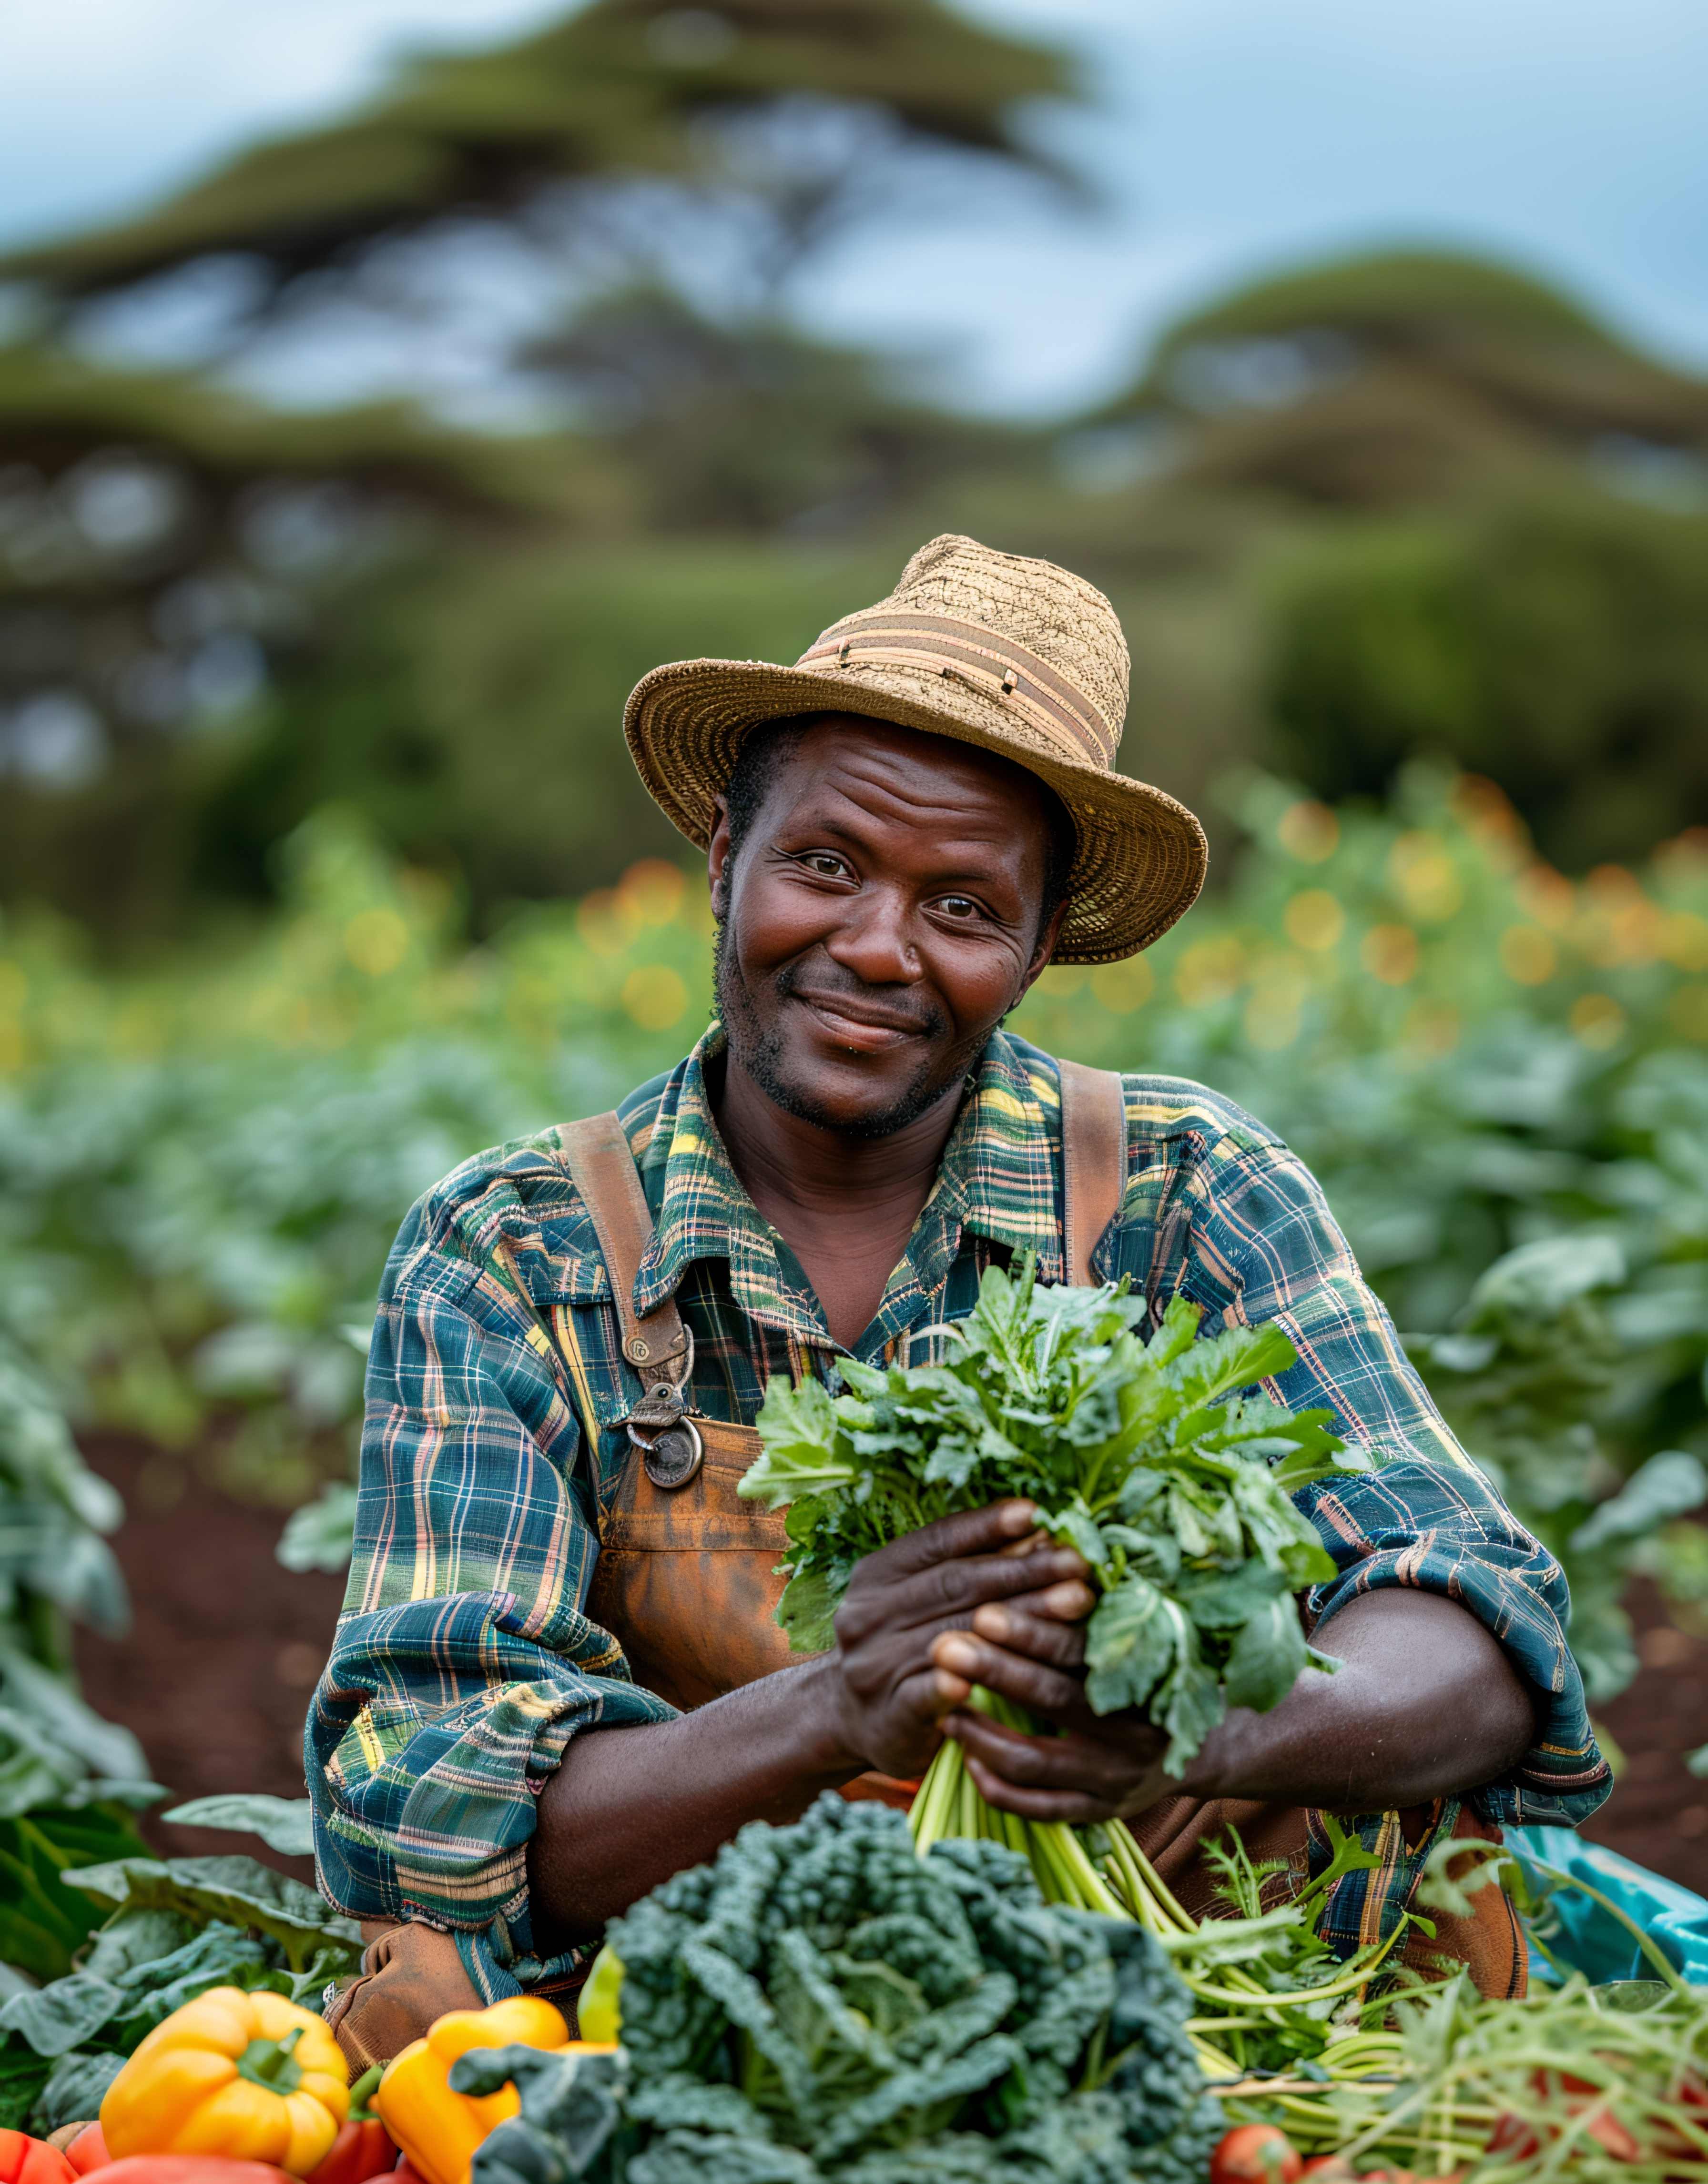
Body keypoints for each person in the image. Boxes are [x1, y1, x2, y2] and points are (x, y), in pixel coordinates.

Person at [311, 535, 1608, 2065]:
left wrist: (1183, 1724)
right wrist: (833, 1716)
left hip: (1225, 2054)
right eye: (826, 866)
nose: (877, 948)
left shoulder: (1188, 1192)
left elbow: (1477, 1628)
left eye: (964, 908)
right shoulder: (517, 1249)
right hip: (715, 2069)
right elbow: (414, 1807)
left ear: (1041, 946)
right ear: (725, 857)